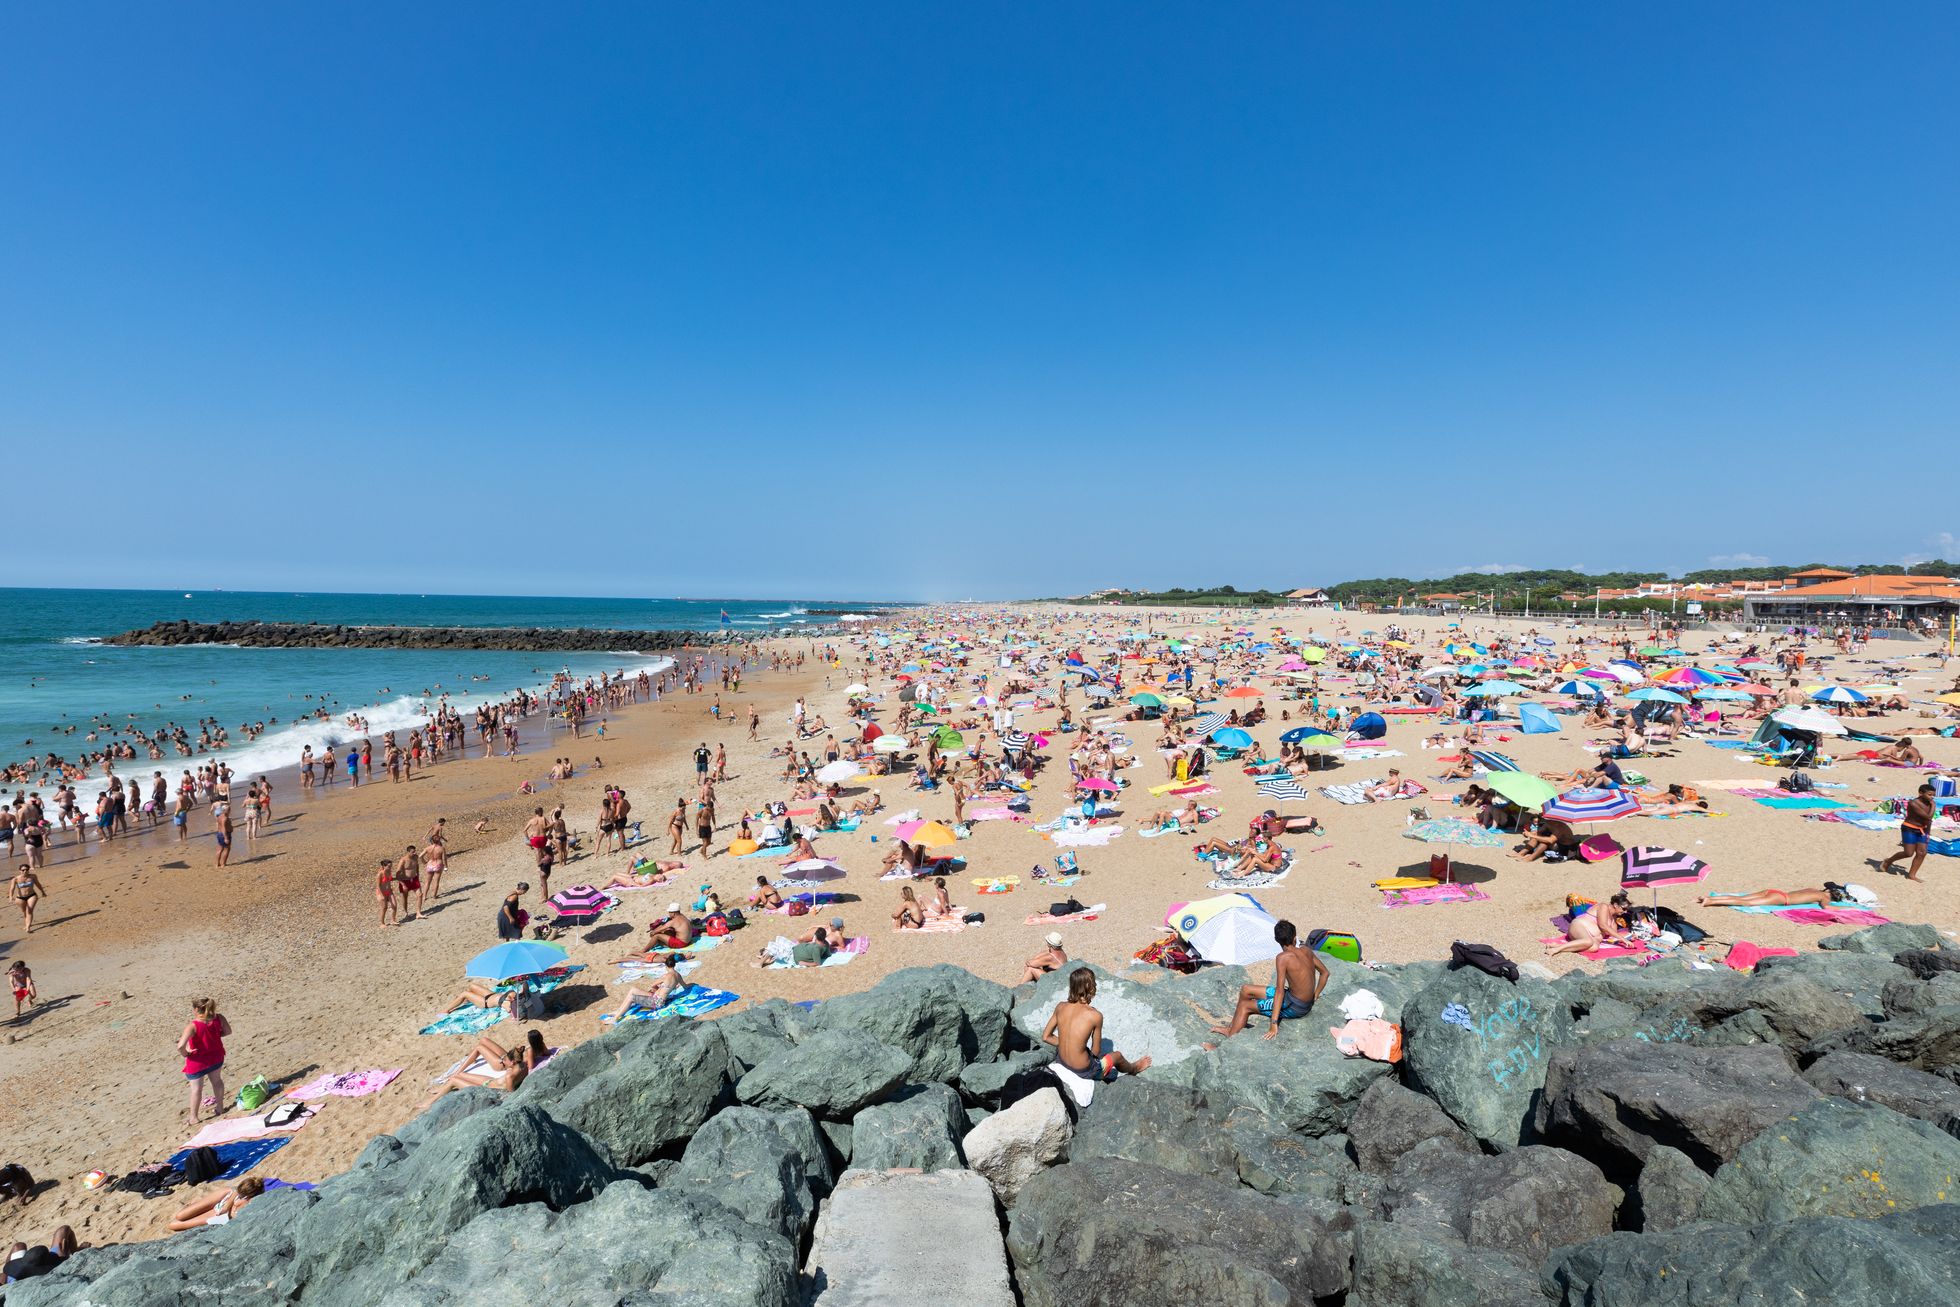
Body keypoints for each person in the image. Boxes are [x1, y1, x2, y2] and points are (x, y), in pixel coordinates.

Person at [1042, 968, 1150, 1105]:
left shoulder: (1060, 1007)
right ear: (1089, 987)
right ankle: (1134, 1068)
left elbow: (1046, 1037)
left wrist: (1067, 1043)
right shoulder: (1095, 1016)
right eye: (1094, 983)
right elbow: (1096, 1051)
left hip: (1061, 1061)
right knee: (1117, 1056)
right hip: (1084, 1071)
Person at [1211, 919, 1328, 1039]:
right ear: (1294, 938)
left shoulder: (1283, 958)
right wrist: (1315, 995)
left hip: (1295, 1007)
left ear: (1277, 940)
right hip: (1296, 999)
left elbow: (1279, 991)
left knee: (1245, 1006)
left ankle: (1231, 1037)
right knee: (1246, 989)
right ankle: (1234, 1027)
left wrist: (1273, 1023)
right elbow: (1325, 973)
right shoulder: (1306, 950)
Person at [430, 1029, 549, 1097]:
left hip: (492, 1081)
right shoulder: (539, 1048)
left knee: (479, 1049)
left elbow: (531, 1067)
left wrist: (514, 1065)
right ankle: (445, 1086)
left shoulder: (514, 1070)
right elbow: (546, 1054)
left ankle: (437, 1094)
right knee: (483, 1041)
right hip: (497, 1077)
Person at [177, 997, 230, 1125]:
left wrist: (186, 1053)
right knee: (217, 1081)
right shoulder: (219, 1018)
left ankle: (194, 1117)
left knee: (196, 1090)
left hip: (197, 1062)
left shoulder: (193, 1026)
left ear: (196, 1009)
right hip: (216, 1056)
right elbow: (228, 1031)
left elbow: (180, 1046)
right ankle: (220, 1108)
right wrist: (215, 1036)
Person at [1880, 783, 1936, 882]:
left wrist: (1928, 833)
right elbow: (1928, 817)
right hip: (1909, 828)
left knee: (1922, 852)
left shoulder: (1929, 803)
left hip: (1923, 830)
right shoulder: (1913, 803)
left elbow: (1929, 821)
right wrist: (1933, 806)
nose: (1932, 797)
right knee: (1908, 853)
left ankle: (1912, 875)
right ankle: (1888, 861)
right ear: (1921, 793)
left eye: (1933, 795)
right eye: (1929, 794)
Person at [167, 1177, 265, 1232]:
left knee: (173, 1225)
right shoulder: (240, 1191)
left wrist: (228, 1211)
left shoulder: (251, 1202)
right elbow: (236, 1191)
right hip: (224, 1198)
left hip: (218, 1214)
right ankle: (196, 1209)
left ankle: (198, 1212)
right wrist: (227, 1205)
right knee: (179, 1216)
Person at [3, 1226, 78, 1283]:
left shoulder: (10, 1278)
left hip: (18, 1272)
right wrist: (66, 1257)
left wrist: (7, 1273)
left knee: (19, 1246)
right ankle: (78, 1251)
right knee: (63, 1230)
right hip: (48, 1264)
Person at [1699, 884, 1850, 908]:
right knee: (1745, 903)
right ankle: (1709, 902)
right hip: (1781, 899)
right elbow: (1827, 908)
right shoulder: (1824, 898)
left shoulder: (1813, 889)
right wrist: (1846, 910)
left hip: (1776, 891)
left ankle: (1709, 898)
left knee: (1743, 898)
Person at [9, 864, 44, 934]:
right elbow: (12, 889)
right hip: (20, 898)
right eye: (23, 870)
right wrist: (10, 897)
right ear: (20, 871)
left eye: (27, 870)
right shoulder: (15, 879)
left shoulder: (33, 876)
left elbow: (38, 884)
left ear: (28, 870)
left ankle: (28, 927)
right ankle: (27, 923)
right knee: (24, 911)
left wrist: (43, 892)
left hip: (32, 895)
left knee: (30, 910)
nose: (25, 871)